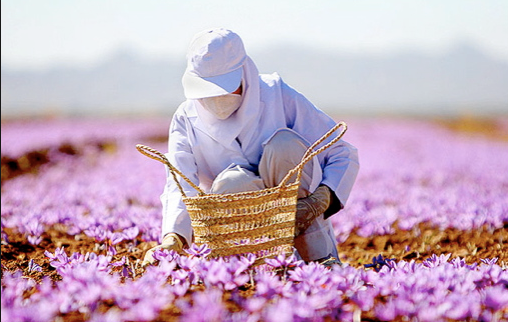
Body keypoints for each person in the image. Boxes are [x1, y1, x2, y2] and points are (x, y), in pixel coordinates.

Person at [143, 28, 359, 267]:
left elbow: (341, 153)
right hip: (237, 227)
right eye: (207, 91)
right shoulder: (185, 117)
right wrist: (173, 237)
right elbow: (179, 182)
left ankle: (318, 260)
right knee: (233, 182)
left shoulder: (277, 94)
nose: (217, 98)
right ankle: (255, 267)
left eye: (226, 87)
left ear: (244, 73)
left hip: (299, 213)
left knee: (284, 145)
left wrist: (322, 198)